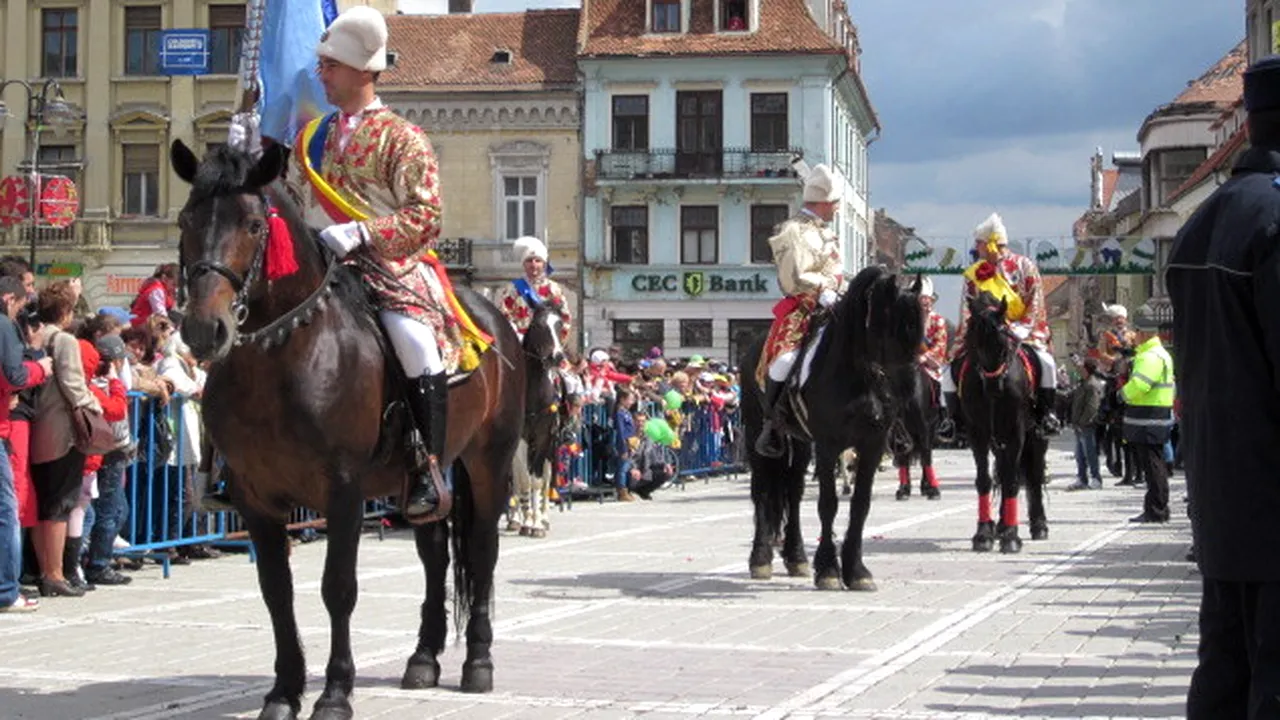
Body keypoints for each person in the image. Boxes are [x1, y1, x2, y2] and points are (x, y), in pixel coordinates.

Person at [231, 6, 452, 521]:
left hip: (385, 267)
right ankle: (237, 460)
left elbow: (426, 216)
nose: (321, 74)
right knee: (249, 327)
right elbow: (283, 196)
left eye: (330, 65)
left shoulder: (404, 138)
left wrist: (362, 231)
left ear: (362, 72)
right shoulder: (311, 138)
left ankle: (427, 465)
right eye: (323, 64)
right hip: (321, 263)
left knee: (416, 343)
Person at [1171, 56, 1280, 718]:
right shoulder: (1273, 219)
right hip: (1273, 484)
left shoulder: (1201, 222)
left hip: (1221, 490)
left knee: (1224, 670)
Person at [754, 164, 845, 458]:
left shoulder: (827, 234)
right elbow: (793, 277)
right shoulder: (792, 231)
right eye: (834, 203)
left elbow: (836, 271)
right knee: (784, 361)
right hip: (803, 308)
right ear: (822, 201)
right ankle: (772, 421)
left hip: (835, 303)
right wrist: (823, 291)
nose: (837, 209)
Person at [941, 212, 1060, 437]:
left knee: (1047, 364)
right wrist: (972, 332)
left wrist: (1021, 327)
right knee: (948, 369)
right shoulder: (974, 273)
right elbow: (967, 307)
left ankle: (1046, 414)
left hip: (1022, 330)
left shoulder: (1025, 266)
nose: (977, 248)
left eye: (979, 243)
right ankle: (952, 420)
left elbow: (1035, 300)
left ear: (992, 243)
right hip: (984, 333)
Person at [494, 236, 572, 344]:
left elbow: (565, 317)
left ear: (543, 264)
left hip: (547, 344)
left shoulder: (554, 289)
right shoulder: (513, 288)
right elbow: (503, 315)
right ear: (524, 264)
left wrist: (557, 342)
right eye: (529, 261)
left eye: (538, 261)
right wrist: (516, 336)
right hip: (520, 343)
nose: (533, 265)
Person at [1065, 358, 1105, 491]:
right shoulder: (1083, 384)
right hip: (1079, 425)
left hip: (1086, 425)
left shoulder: (1092, 385)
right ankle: (1082, 478)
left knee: (1090, 453)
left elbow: (1092, 407)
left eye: (1082, 368)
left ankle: (1096, 478)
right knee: (1080, 454)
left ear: (1087, 370)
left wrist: (1082, 422)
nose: (1079, 370)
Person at [917, 276, 949, 428]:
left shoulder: (938, 320)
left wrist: (924, 357)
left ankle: (943, 416)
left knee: (939, 385)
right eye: (921, 299)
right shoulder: (909, 320)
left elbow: (940, 343)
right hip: (911, 362)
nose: (925, 303)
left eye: (927, 299)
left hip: (929, 364)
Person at [128, 264, 178, 329]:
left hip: (151, 322)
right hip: (140, 323)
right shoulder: (156, 290)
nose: (175, 288)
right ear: (164, 278)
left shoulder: (169, 291)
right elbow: (160, 313)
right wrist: (172, 328)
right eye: (173, 284)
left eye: (177, 285)